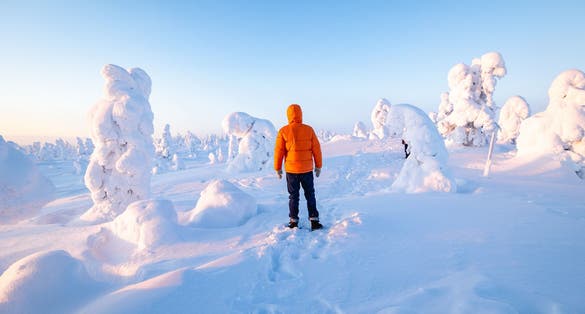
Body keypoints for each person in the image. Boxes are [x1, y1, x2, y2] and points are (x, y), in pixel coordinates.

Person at [274, 104, 323, 230]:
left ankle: (293, 221)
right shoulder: (309, 129)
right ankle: (314, 220)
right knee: (310, 194)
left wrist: (278, 168)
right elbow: (316, 149)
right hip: (306, 170)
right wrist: (318, 166)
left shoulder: (283, 131)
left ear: (288, 115)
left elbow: (279, 151)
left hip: (291, 171)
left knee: (293, 196)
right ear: (301, 114)